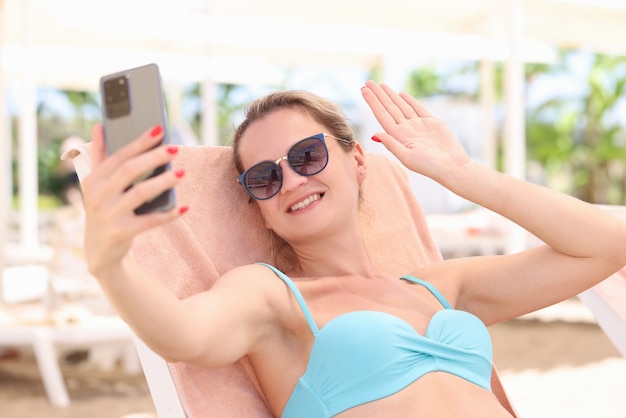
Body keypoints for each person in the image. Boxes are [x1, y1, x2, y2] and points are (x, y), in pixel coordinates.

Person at [81, 80, 626, 417]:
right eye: (265, 177)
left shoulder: (441, 286)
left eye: (308, 156)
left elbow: (607, 246)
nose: (292, 179)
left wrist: (465, 175)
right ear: (258, 205)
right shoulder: (270, 296)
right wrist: (110, 264)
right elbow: (182, 335)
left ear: (357, 162)